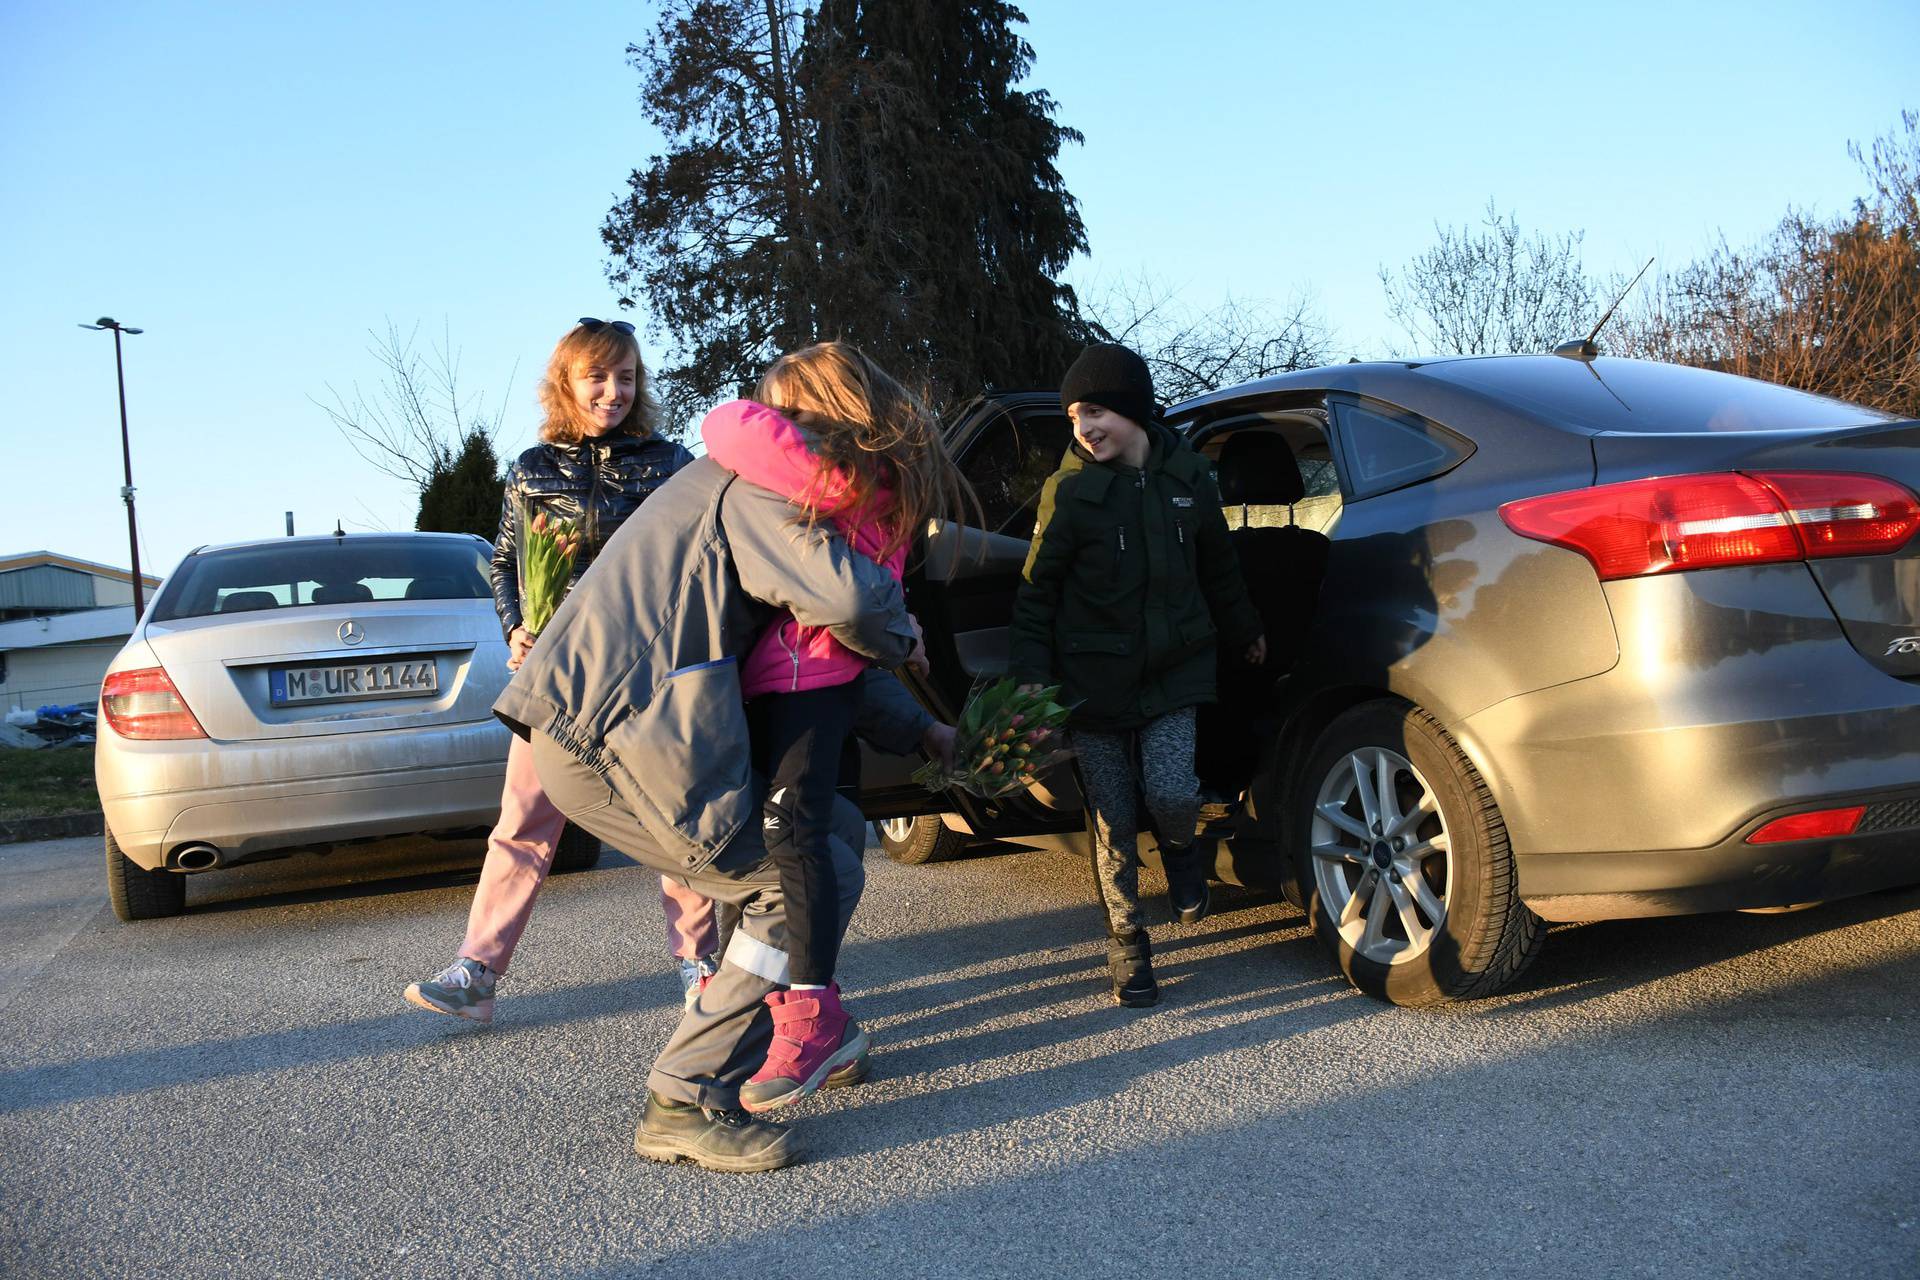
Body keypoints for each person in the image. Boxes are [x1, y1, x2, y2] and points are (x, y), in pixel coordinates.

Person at [495, 402, 945, 1173]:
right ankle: (681, 1092)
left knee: (831, 828)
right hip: (612, 735)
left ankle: (794, 1028)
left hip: (620, 725)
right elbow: (847, 608)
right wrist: (906, 632)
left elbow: (814, 654)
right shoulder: (758, 494)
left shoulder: (746, 480)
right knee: (798, 876)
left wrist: (924, 734)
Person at [403, 317, 717, 1024]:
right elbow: (504, 562)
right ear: (567, 382)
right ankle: (476, 973)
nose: (613, 391)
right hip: (555, 675)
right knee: (523, 821)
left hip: (646, 674)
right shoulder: (531, 469)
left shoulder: (670, 464)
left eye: (626, 377)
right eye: (597, 376)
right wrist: (514, 625)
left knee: (675, 819)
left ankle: (702, 973)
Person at [697, 342, 974, 1113]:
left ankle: (808, 1016)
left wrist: (756, 411)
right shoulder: (875, 486)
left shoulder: (835, 477)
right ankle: (801, 1011)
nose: (780, 428)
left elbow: (725, 426)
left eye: (793, 414)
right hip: (806, 688)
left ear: (830, 414)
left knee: (792, 841)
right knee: (792, 845)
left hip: (803, 689)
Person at [1007, 342, 1266, 1008]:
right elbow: (1036, 594)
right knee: (1114, 819)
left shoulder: (1189, 480)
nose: (1083, 428)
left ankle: (1182, 852)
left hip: (1176, 669)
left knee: (1175, 792)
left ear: (1132, 409)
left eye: (1094, 411)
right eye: (1072, 418)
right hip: (1093, 682)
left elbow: (1220, 569)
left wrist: (1246, 632)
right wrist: (1032, 678)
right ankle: (1128, 944)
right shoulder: (1068, 493)